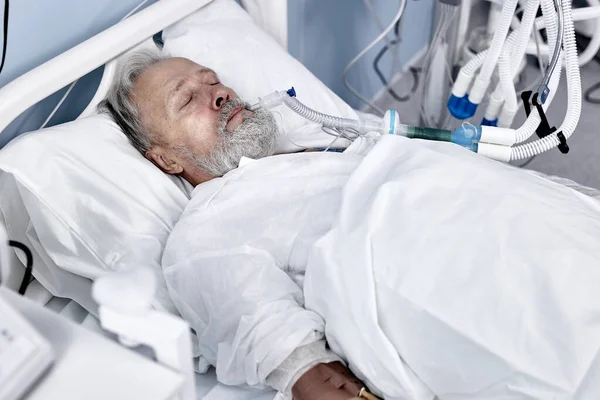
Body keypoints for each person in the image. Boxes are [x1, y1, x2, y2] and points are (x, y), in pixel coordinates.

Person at [99, 49, 377, 400]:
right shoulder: (208, 229)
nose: (221, 94)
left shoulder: (317, 142)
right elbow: (299, 364)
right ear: (165, 158)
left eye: (213, 81)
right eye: (186, 100)